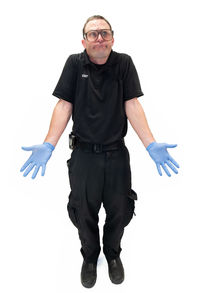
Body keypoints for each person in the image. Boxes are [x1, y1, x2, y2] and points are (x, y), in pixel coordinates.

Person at [20, 15, 180, 288]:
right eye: (93, 34)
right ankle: (90, 257)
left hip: (116, 154)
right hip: (83, 157)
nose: (99, 38)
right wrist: (49, 143)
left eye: (104, 33)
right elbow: (63, 105)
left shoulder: (124, 63)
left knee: (120, 209)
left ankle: (113, 254)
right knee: (83, 211)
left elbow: (131, 104)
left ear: (112, 38)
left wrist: (150, 143)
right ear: (84, 41)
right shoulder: (74, 63)